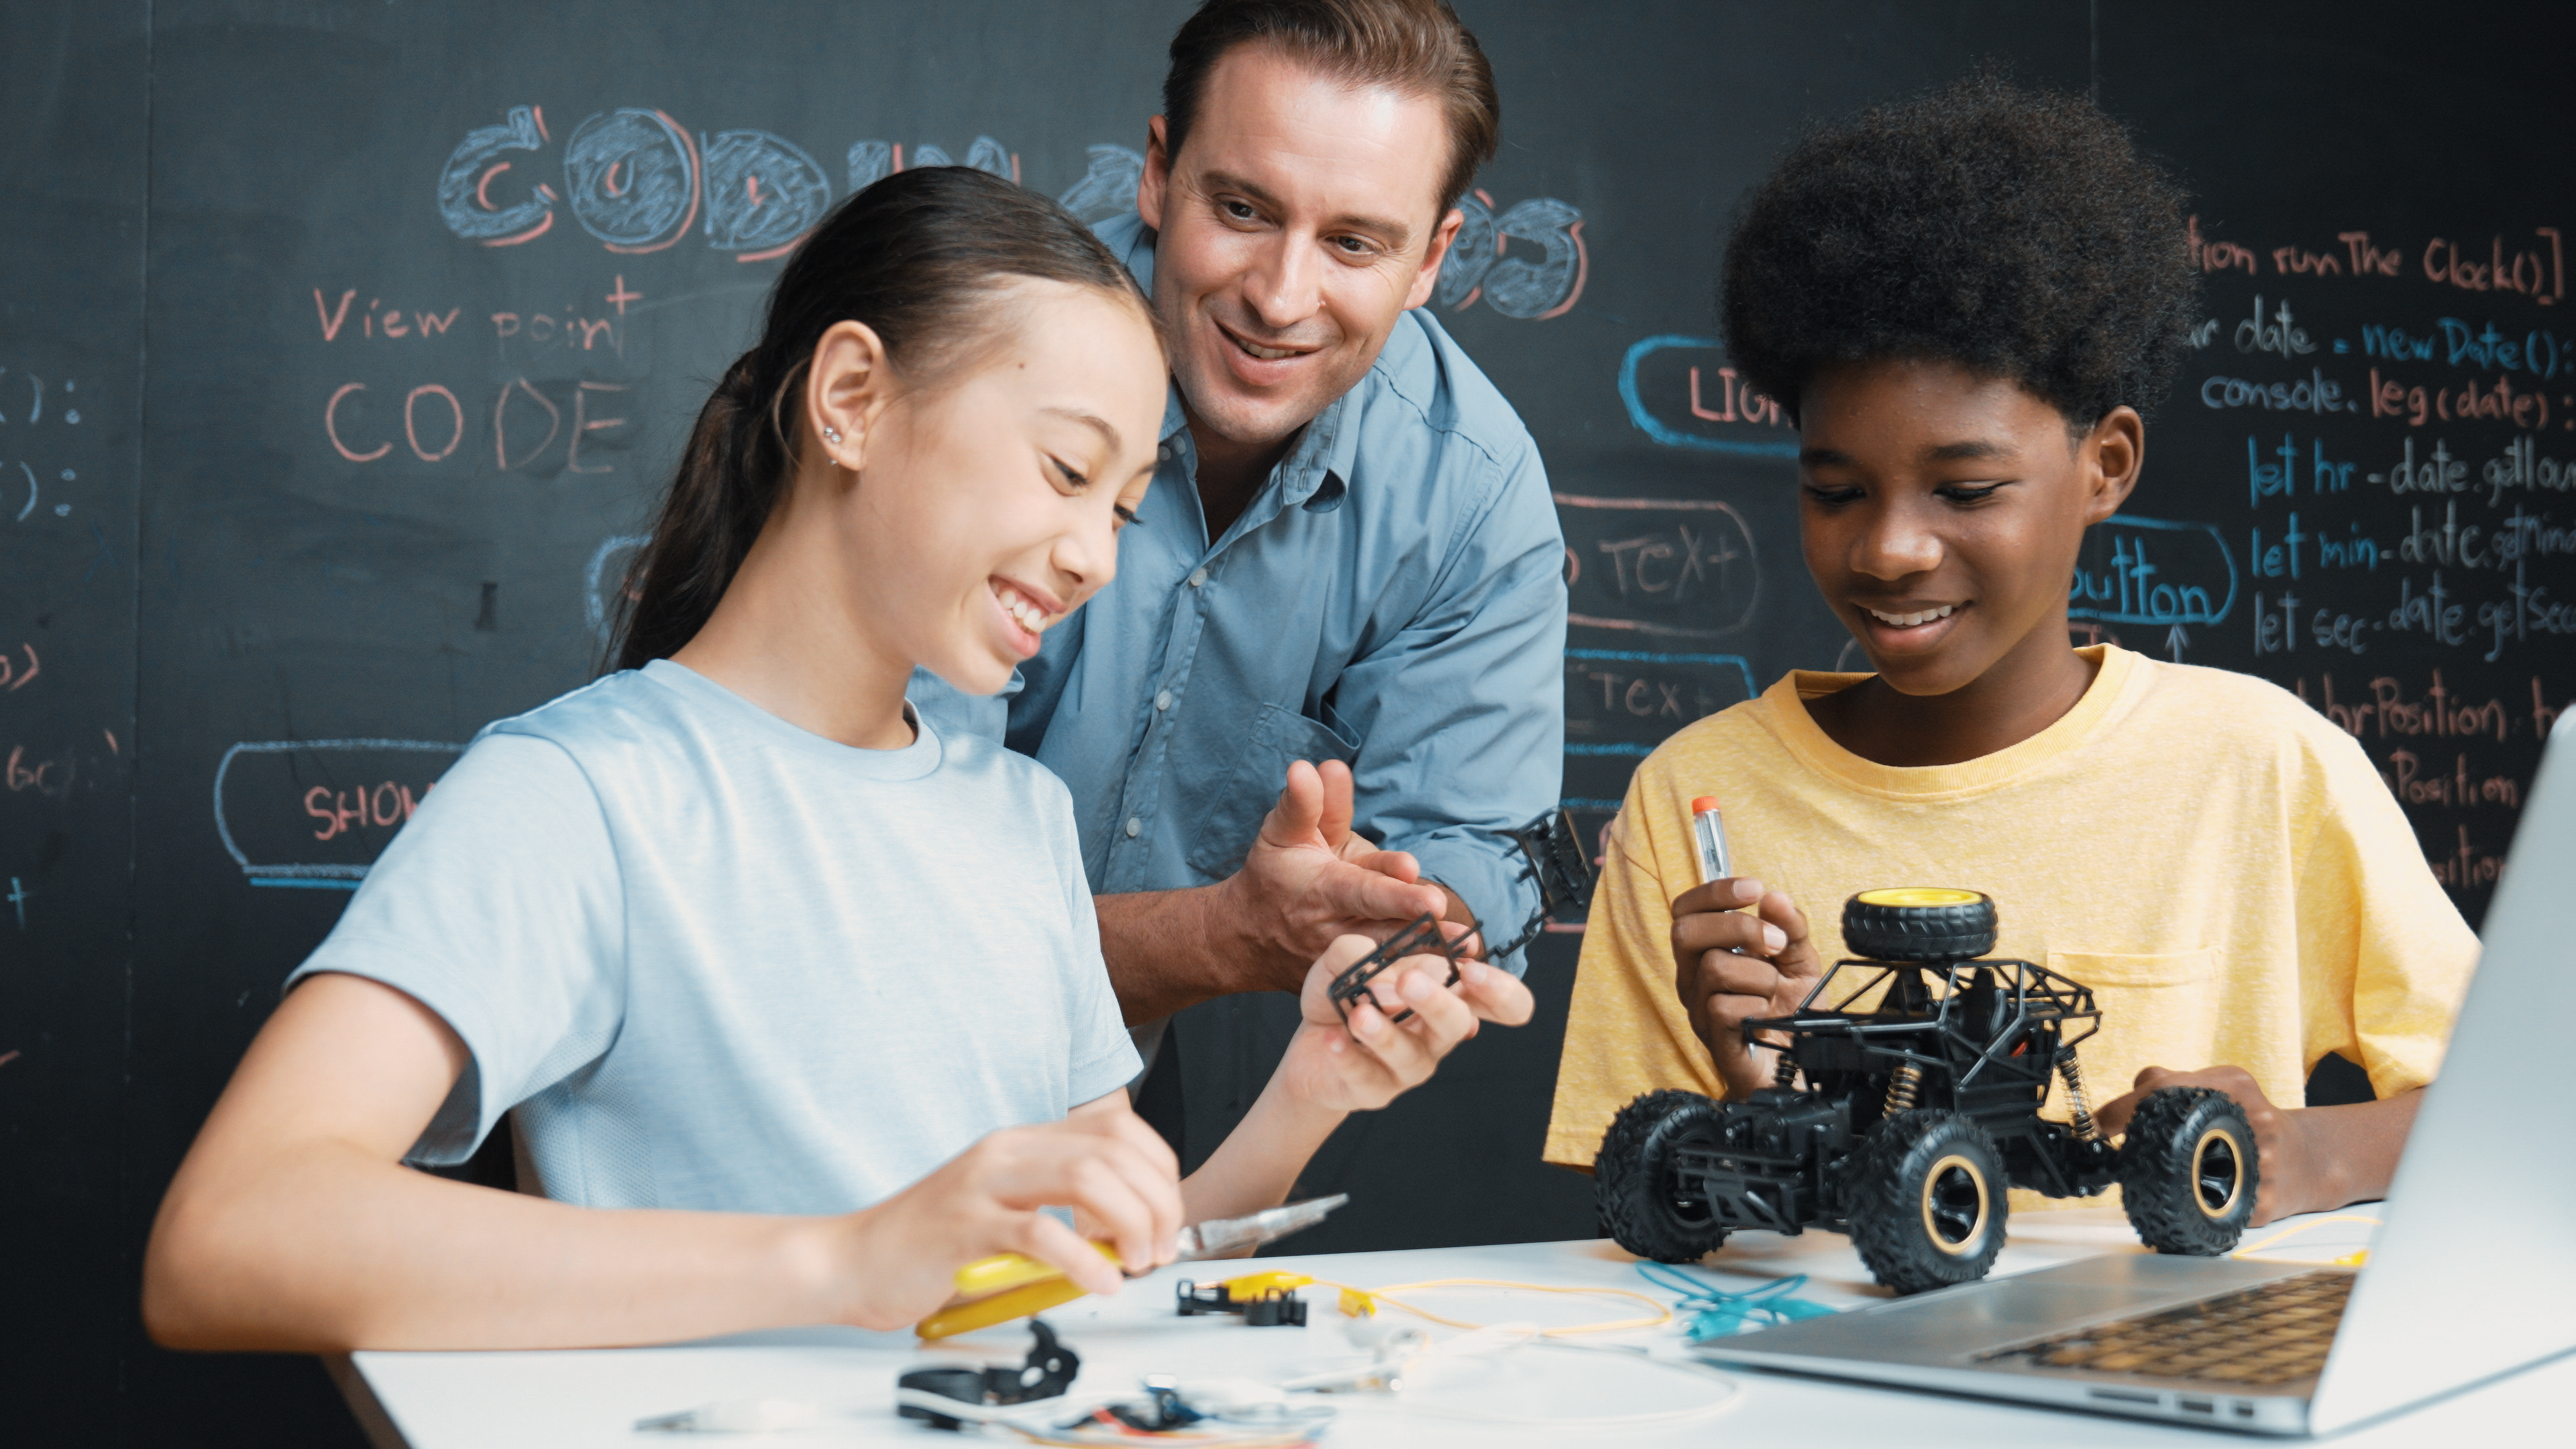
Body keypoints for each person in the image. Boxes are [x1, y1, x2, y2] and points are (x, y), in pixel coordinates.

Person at [142, 168, 1531, 1352]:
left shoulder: (1020, 819)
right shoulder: (583, 796)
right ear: (855, 397)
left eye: (1123, 507)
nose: (1098, 557)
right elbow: (226, 1239)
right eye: (1065, 474)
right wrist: (842, 1262)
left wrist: (1309, 1096)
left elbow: (1091, 1274)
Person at [1544, 76, 2476, 1226]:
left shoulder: (2263, 764)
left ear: (2108, 466)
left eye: (1967, 489)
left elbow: (2529, 1103)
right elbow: (1633, 1239)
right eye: (1836, 491)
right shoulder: (1694, 801)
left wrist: (2307, 1159)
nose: (1888, 549)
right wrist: (1759, 1099)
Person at [910, 0, 1568, 1121]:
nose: (1278, 295)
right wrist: (1230, 933)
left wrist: (1399, 912)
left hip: (1099, 1084)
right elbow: (880, 910)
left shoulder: (1474, 495)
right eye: (1243, 209)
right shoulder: (981, 365)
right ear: (1159, 174)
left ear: (1433, 259)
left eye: (1355, 242)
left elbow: (1473, 855)